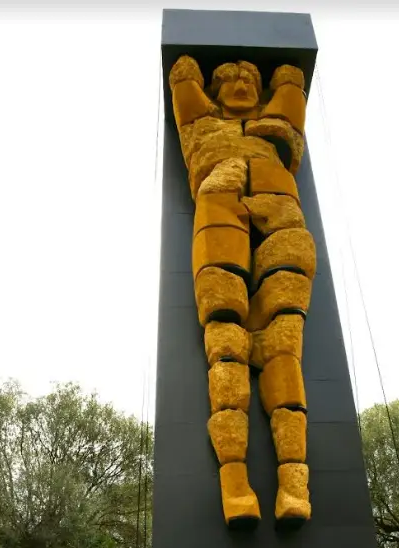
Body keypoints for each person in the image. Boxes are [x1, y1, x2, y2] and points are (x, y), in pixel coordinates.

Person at [169, 55, 317, 530]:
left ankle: (294, 483)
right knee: (226, 339)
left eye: (249, 79)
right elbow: (184, 79)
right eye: (228, 80)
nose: (239, 86)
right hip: (219, 204)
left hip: (283, 213)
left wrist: (285, 78)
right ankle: (235, 484)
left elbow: (291, 88)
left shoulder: (280, 126)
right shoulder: (201, 126)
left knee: (283, 348)